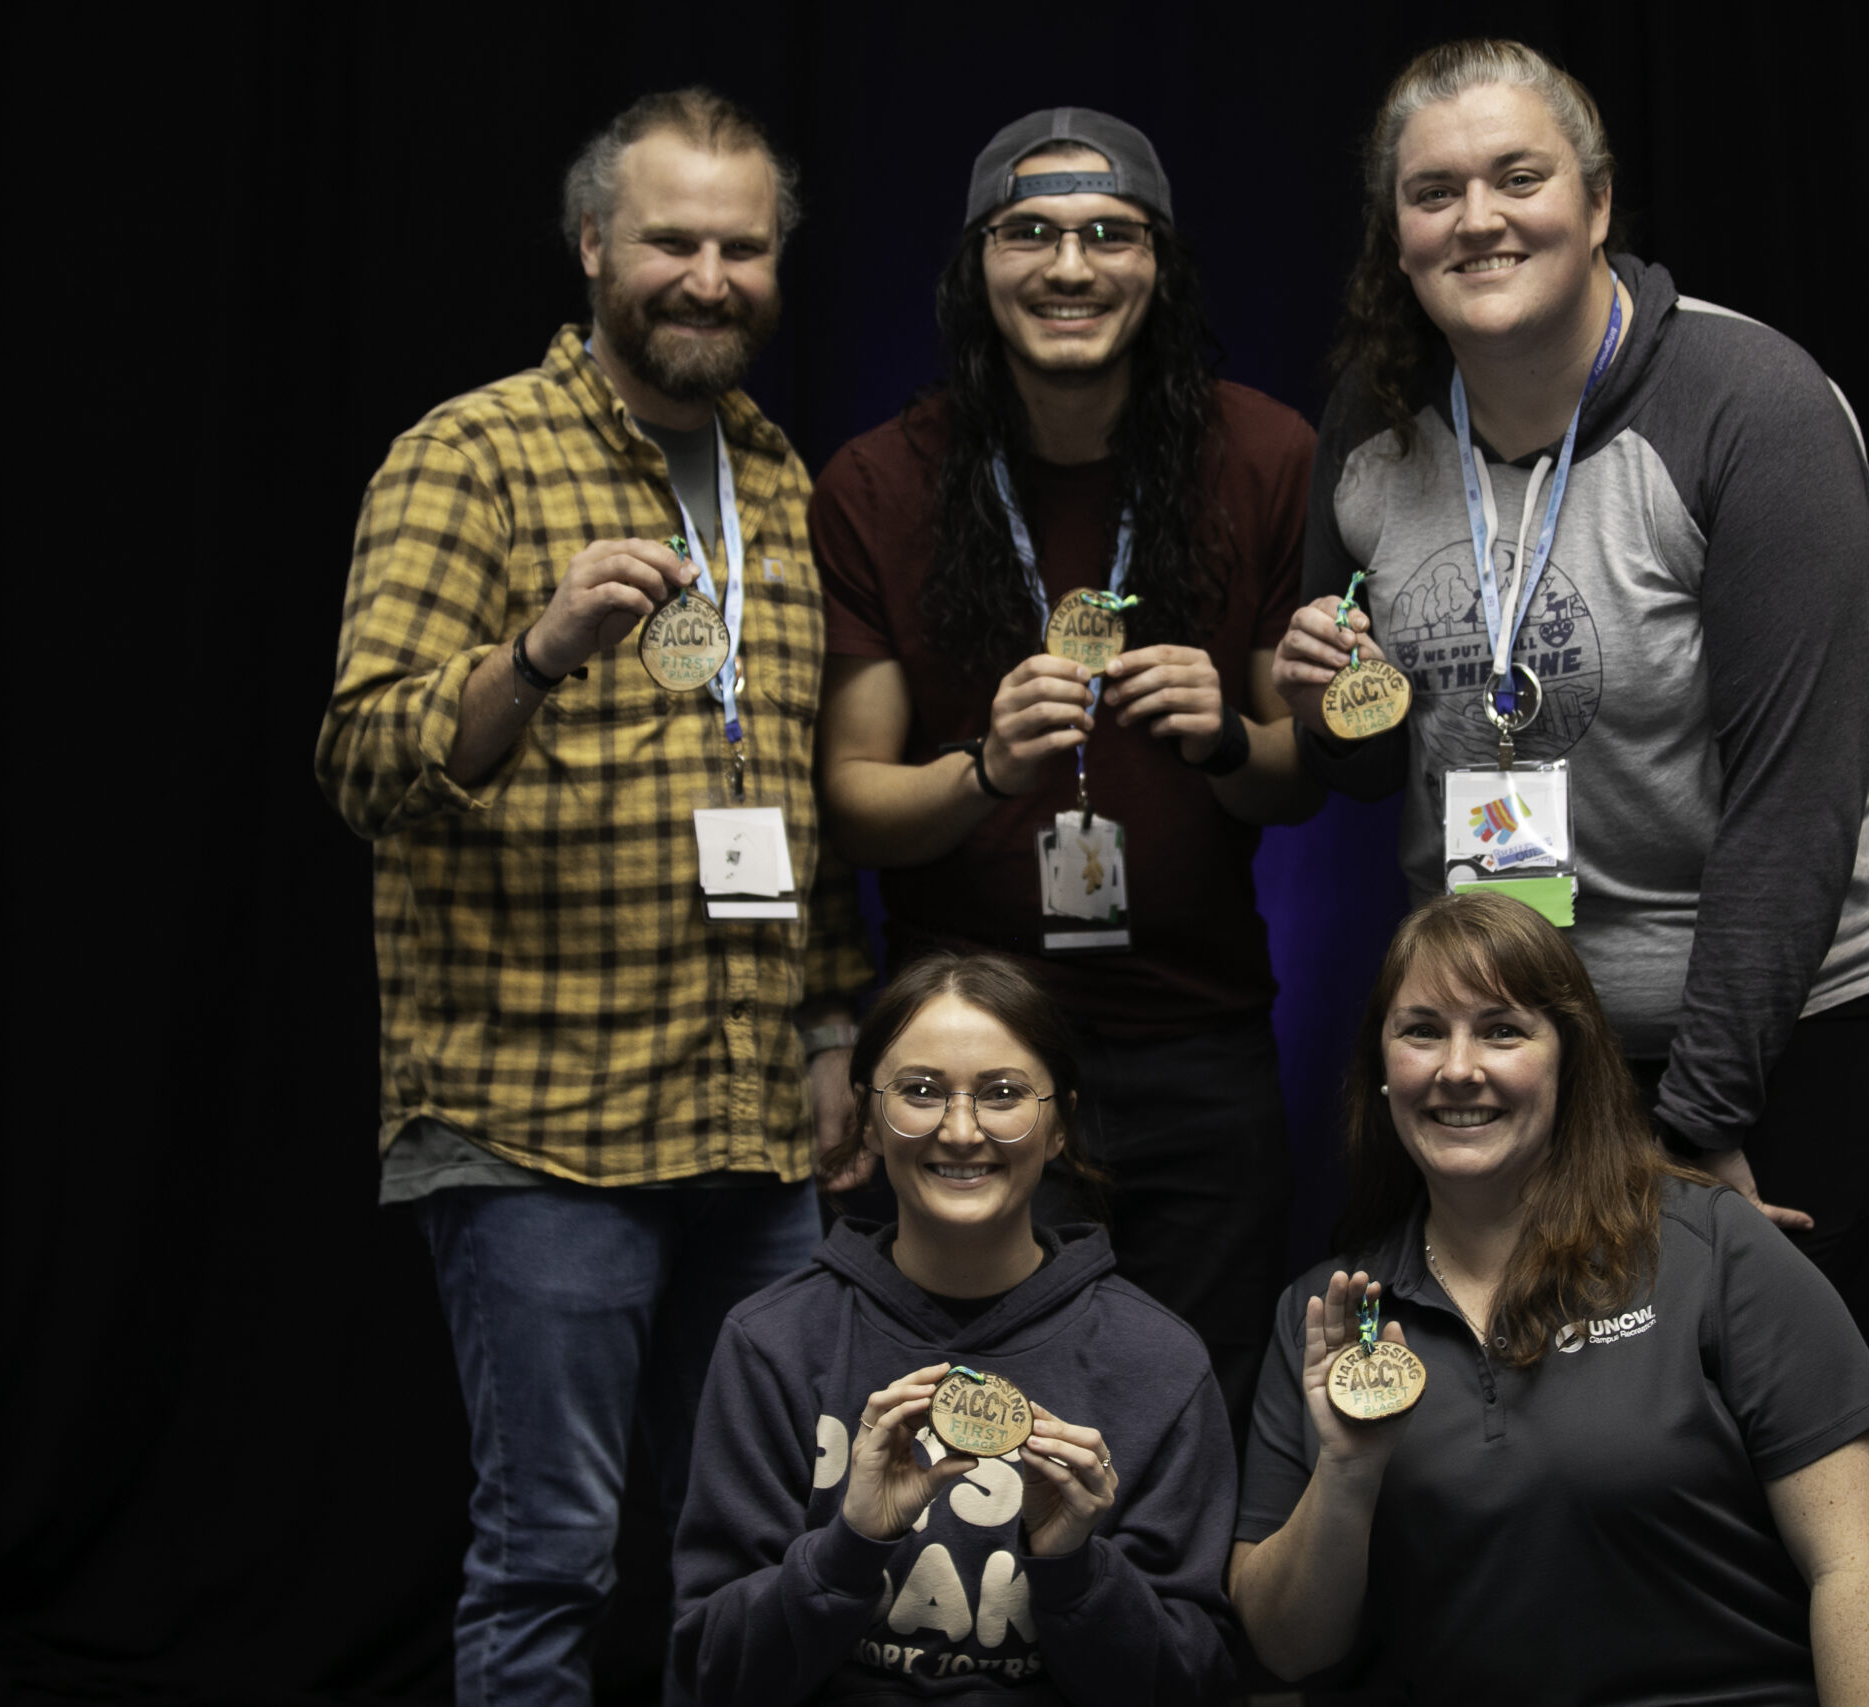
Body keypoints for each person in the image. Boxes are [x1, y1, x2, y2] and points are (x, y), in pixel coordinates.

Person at [314, 87, 870, 1706]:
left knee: (763, 1549)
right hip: (535, 1118)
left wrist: (835, 1023)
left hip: (755, 1123)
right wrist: (534, 653)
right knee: (550, 1554)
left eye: (742, 246)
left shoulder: (778, 482)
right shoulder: (467, 454)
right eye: (671, 240)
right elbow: (358, 761)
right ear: (591, 247)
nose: (708, 275)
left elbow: (786, 796)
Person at [1272, 39, 1869, 1296]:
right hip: (1525, 1028)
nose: (1477, 220)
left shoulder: (1751, 405)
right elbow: (1362, 769)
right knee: (1537, 1426)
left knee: (1720, 1419)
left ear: (1594, 206)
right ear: (1397, 236)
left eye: (1517, 178)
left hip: (1801, 1015)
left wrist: (1695, 1128)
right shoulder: (1373, 423)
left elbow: (1793, 802)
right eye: (1433, 194)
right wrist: (1323, 696)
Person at [812, 107, 1319, 1435]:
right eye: (1028, 232)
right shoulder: (881, 480)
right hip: (973, 1055)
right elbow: (856, 804)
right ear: (978, 264)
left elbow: (1294, 779)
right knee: (976, 1422)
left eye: (1110, 232)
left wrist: (1224, 736)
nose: (1071, 265)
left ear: (1161, 264)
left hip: (1199, 1041)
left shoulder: (1265, 454)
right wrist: (982, 768)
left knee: (1196, 1411)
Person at [1229, 890, 1869, 1704]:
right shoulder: (1332, 1314)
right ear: (1381, 1072)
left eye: (1502, 1029)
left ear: (1569, 1060)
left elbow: (1859, 1566)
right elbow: (1284, 1649)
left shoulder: (1713, 1246)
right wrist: (1345, 1470)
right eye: (1420, 1030)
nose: (1457, 1067)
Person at [669, 952, 1238, 1705]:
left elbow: (1196, 1685)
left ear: (1058, 1123)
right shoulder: (772, 1343)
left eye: (1003, 1093)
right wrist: (848, 1548)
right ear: (869, 1118)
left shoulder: (1160, 1362)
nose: (961, 1129)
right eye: (921, 1091)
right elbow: (710, 1677)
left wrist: (1074, 1567)